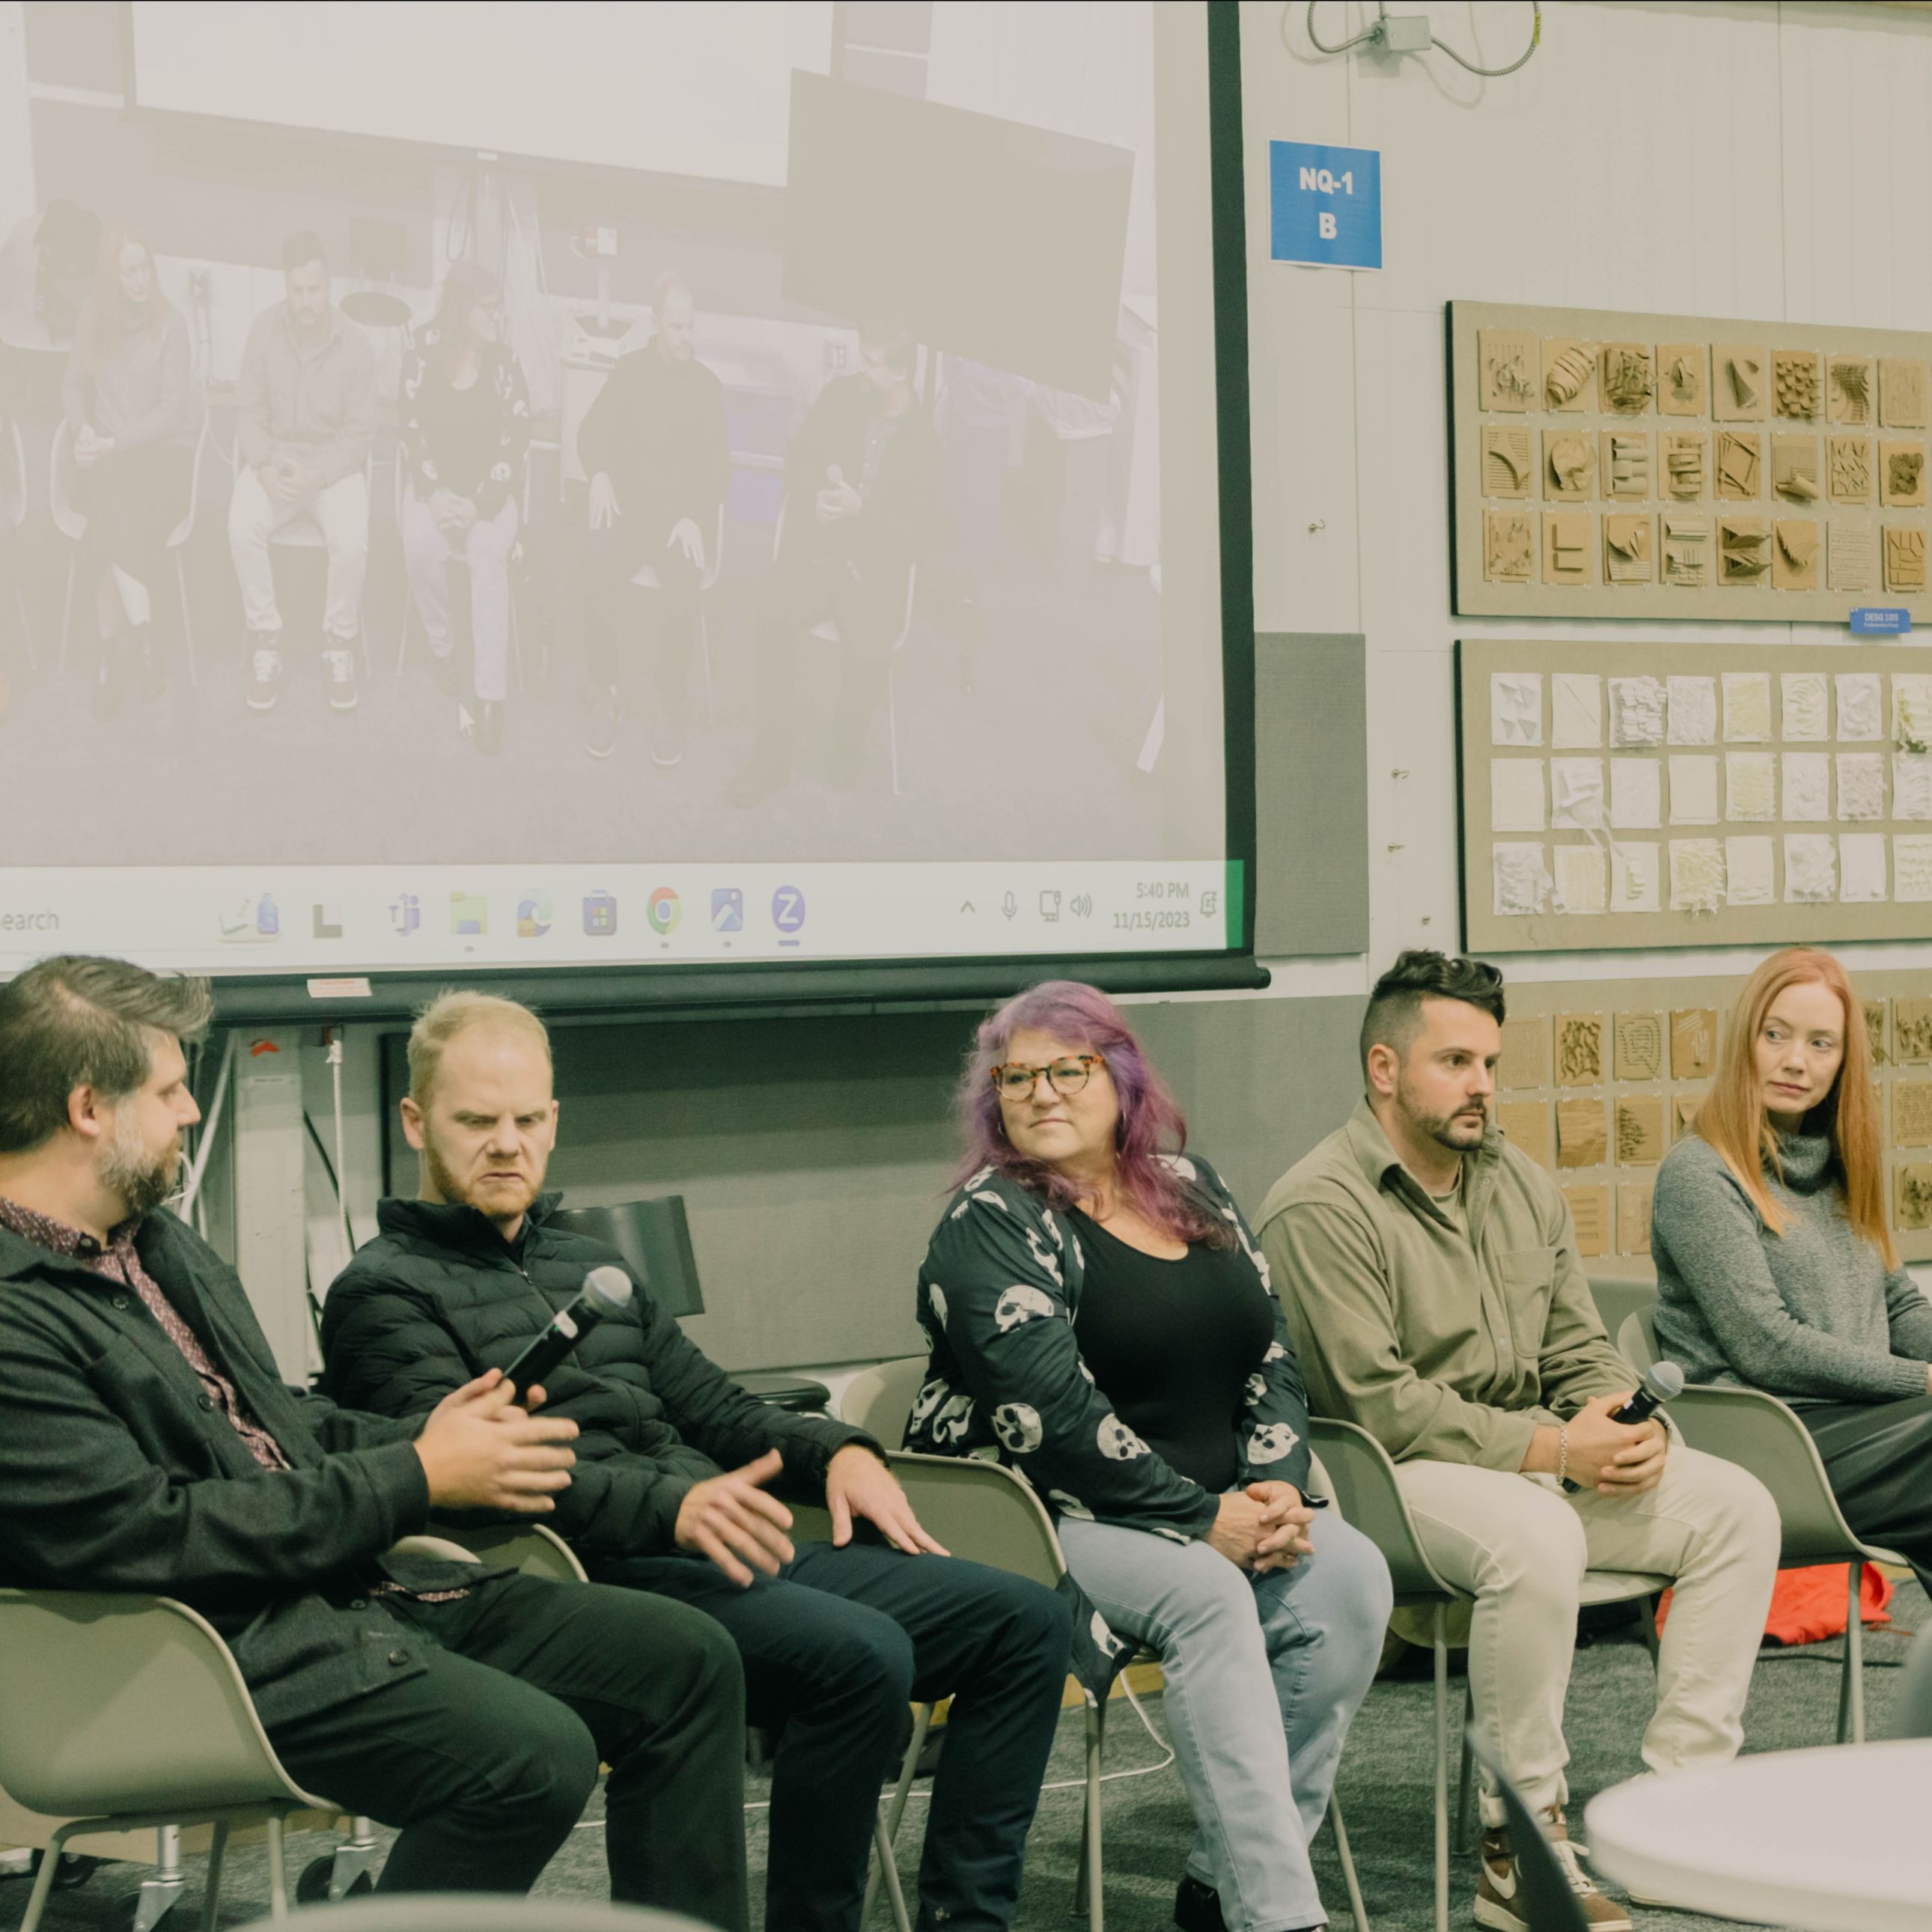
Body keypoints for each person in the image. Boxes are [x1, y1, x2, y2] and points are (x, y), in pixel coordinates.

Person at [0, 956, 750, 1929]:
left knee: (687, 1657)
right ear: (88, 1106)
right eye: (172, 1086)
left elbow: (279, 1424)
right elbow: (151, 1533)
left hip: (347, 1588)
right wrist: (412, 1474)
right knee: (531, 1759)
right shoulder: (14, 1316)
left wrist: (440, 1447)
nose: (190, 1110)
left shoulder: (154, 1241)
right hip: (210, 1654)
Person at [320, 989, 1073, 1932]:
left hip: (716, 1540)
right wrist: (671, 1509)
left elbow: (712, 1405)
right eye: (476, 1121)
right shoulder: (381, 1290)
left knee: (1025, 1622)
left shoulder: (591, 1260)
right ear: (416, 1120)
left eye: (525, 1120)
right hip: (591, 1575)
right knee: (860, 1655)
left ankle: (969, 1923)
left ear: (553, 1121)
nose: (505, 1143)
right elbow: (470, 1483)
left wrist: (837, 1450)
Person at [1256, 950, 1781, 1932]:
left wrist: (1628, 1424)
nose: (1482, 1086)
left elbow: (1576, 1345)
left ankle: (1683, 1813)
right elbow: (1377, 1405)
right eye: (1455, 1061)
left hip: (1533, 1459)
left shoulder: (1517, 1180)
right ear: (1383, 1067)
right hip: (1390, 1477)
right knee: (1538, 1540)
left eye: (1490, 1063)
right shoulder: (1319, 1205)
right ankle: (1519, 1847)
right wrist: (1552, 1451)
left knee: (1736, 1510)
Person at [910, 979, 1392, 1932]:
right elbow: (1046, 1412)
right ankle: (1282, 1917)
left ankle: (1222, 1885)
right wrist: (1201, 1516)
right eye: (1016, 1078)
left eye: (1066, 1069)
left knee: (1350, 1579)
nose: (1040, 1092)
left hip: (1216, 1505)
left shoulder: (1189, 1185)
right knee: (1207, 1595)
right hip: (1046, 1514)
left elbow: (1270, 1351)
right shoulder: (990, 1220)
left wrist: (1276, 1489)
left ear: (1121, 1077)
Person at [1654, 946, 1932, 1595]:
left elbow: (1897, 1306)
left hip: (1857, 1426)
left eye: (1820, 1043)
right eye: (1774, 1034)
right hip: (1764, 1435)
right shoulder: (1700, 1171)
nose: (1795, 1060)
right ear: (1744, 1040)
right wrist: (1919, 1379)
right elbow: (1766, 1345)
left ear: (1843, 1061)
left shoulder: (1841, 1164)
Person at [727, 318, 941, 805]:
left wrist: (862, 513)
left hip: (874, 570)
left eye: (871, 363)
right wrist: (813, 502)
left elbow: (918, 538)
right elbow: (797, 461)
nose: (860, 370)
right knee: (772, 616)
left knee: (869, 651)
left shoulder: (926, 446)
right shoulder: (840, 397)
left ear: (902, 372)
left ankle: (844, 745)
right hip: (818, 549)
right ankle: (770, 760)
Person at [576, 269, 728, 766]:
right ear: (655, 323)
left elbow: (717, 470)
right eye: (677, 327)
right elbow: (590, 431)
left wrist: (696, 518)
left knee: (684, 590)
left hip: (678, 520)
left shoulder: (707, 388)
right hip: (629, 513)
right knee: (596, 573)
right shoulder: (628, 371)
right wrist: (598, 472)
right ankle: (606, 690)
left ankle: (670, 700)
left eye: (691, 328)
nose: (687, 338)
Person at [229, 231, 374, 715]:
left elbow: (359, 433)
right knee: (239, 525)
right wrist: (264, 467)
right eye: (297, 291)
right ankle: (266, 635)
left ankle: (339, 641)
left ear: (328, 285)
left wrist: (321, 475)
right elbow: (248, 412)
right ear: (285, 287)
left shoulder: (354, 342)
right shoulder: (263, 330)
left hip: (331, 467)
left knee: (352, 540)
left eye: (314, 290)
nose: (306, 301)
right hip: (277, 460)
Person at [399, 260, 531, 756]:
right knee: (418, 543)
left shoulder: (504, 361)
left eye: (498, 309)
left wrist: (479, 504)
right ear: (461, 309)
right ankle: (443, 648)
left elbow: (516, 439)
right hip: (435, 491)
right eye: (488, 309)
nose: (496, 319)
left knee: (487, 556)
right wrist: (434, 493)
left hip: (487, 496)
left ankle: (489, 696)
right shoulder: (421, 349)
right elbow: (409, 427)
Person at [61, 222, 195, 714]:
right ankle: (144, 637)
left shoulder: (172, 323)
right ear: (110, 278)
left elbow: (171, 411)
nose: (141, 281)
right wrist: (81, 431)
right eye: (129, 272)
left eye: (145, 268)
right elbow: (72, 386)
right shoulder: (92, 317)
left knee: (105, 517)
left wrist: (111, 442)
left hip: (159, 455)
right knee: (109, 497)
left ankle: (108, 655)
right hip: (109, 457)